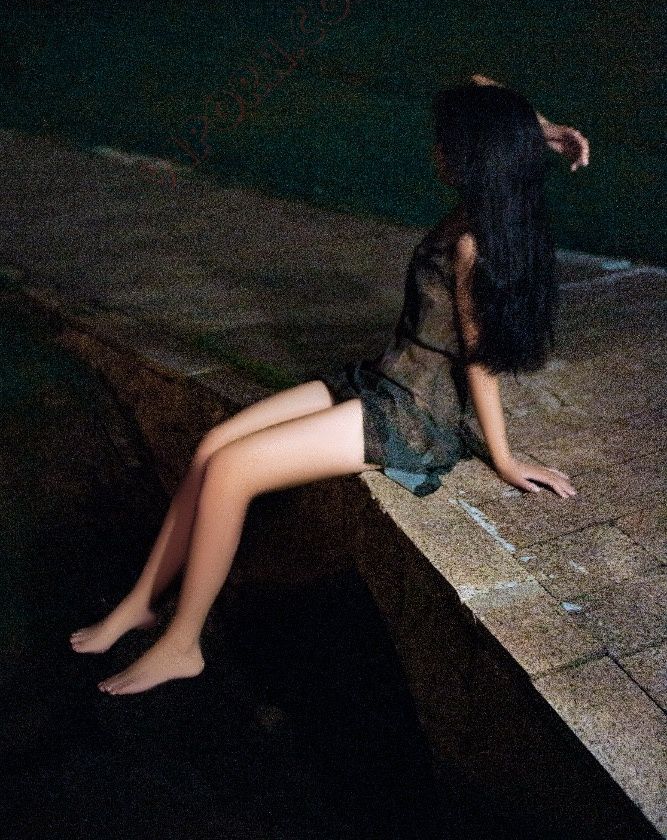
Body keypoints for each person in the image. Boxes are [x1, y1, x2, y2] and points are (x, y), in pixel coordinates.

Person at [70, 73, 589, 695]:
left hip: (413, 413)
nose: (436, 150)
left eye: (447, 142)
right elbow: (477, 83)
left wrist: (503, 458)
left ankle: (183, 644)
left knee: (232, 471)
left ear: (477, 156)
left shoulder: (476, 243)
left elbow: (479, 361)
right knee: (211, 447)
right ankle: (139, 604)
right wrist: (545, 131)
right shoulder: (485, 202)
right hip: (382, 377)